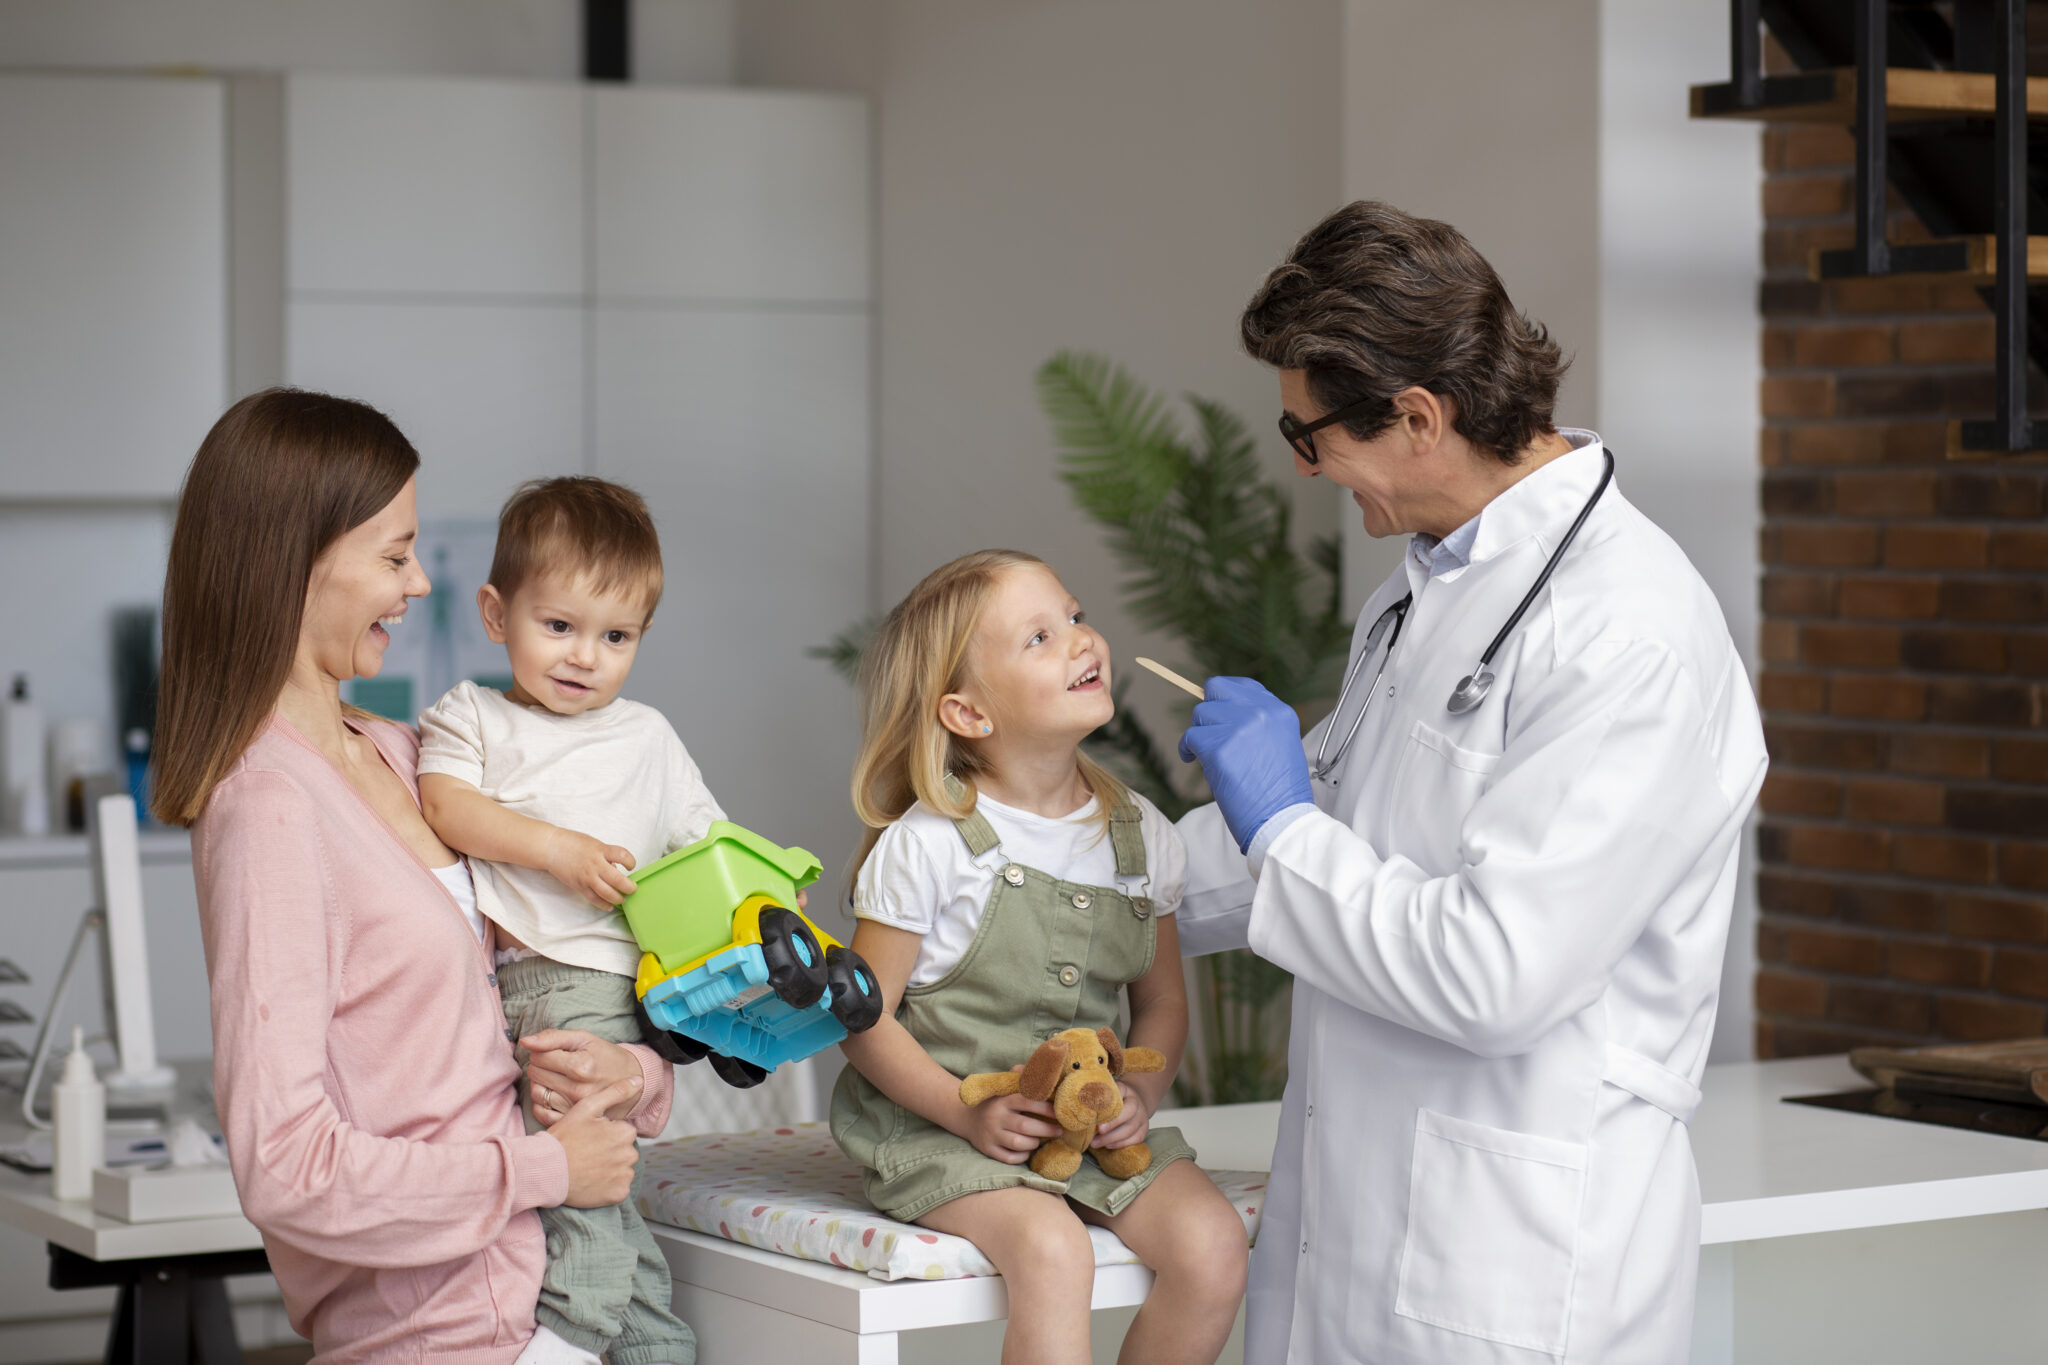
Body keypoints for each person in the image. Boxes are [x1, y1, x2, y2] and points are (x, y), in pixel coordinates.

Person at [1173, 202, 1768, 1364]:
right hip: (1363, 1219)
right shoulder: (1425, 586)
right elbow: (1344, 834)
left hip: (1512, 1261)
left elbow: (1495, 973)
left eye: (1309, 438)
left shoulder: (1625, 631)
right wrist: (1060, 873)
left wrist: (1281, 819)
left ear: (1414, 417)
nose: (1304, 470)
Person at [155, 389, 675, 1365]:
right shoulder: (268, 807)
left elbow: (531, 1009)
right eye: (393, 555)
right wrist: (540, 1170)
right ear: (294, 561)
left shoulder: (411, 757)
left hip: (572, 1300)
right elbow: (286, 1167)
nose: (419, 585)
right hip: (447, 1337)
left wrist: (634, 1076)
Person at [830, 550, 1248, 1365]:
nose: (1082, 640)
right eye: (1040, 636)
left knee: (1213, 1244)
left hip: (1089, 1128)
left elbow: (1161, 1004)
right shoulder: (929, 843)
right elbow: (861, 1018)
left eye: (1077, 615)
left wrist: (1139, 1094)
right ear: (968, 712)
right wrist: (961, 1110)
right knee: (1056, 1253)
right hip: (942, 1128)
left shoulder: (1140, 834)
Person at [416, 476, 716, 1365]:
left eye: (615, 636)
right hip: (523, 987)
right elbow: (445, 805)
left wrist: (767, 896)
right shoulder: (472, 713)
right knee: (596, 1186)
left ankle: (614, 1342)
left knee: (597, 1181)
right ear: (495, 613)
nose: (586, 655)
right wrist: (555, 849)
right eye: (560, 626)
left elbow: (710, 838)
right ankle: (616, 1342)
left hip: (610, 992)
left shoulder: (649, 737)